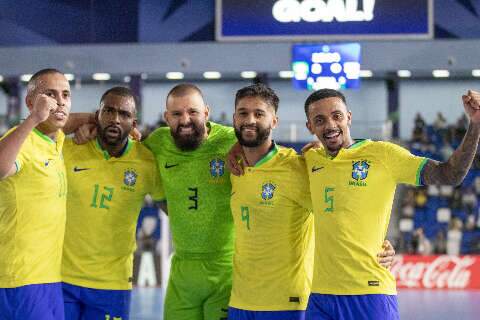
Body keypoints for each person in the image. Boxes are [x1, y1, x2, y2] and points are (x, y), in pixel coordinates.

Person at [303, 88, 480, 320]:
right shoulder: (309, 160)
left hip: (369, 292)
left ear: (349, 117)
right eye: (320, 120)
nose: (330, 125)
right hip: (320, 296)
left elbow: (450, 174)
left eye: (336, 116)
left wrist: (476, 123)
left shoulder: (383, 155)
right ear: (310, 128)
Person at [228, 84, 396, 320]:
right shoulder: (232, 166)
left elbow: (342, 208)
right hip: (239, 301)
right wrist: (233, 148)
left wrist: (379, 243)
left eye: (259, 114)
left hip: (288, 303)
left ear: (274, 121)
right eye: (243, 113)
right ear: (234, 118)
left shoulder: (298, 167)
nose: (250, 120)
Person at [61, 87, 164, 320]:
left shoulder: (147, 162)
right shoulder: (69, 150)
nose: (115, 119)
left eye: (124, 114)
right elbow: (36, 131)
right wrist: (81, 121)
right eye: (108, 111)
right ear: (97, 114)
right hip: (62, 278)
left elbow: (170, 205)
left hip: (112, 283)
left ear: (134, 122)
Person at [143, 84, 238, 320]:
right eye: (176, 114)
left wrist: (316, 148)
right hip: (182, 271)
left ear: (206, 113)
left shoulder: (231, 140)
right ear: (167, 117)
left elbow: (274, 156)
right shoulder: (157, 143)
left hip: (226, 269)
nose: (185, 120)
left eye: (192, 112)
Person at [0, 68, 71, 320]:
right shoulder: (22, 140)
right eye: (50, 94)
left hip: (49, 278)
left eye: (65, 95)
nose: (60, 101)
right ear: (31, 102)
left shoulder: (56, 140)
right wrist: (32, 119)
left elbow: (63, 118)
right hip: (20, 279)